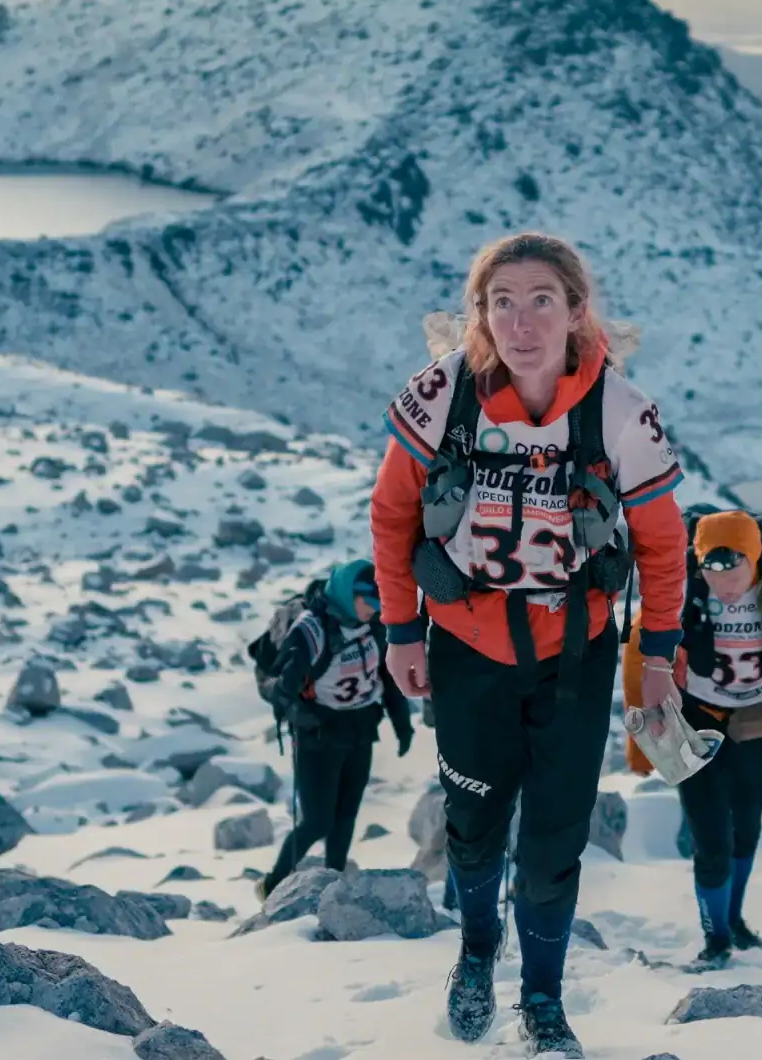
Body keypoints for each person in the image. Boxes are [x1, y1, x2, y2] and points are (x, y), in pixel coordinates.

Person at [372, 231, 688, 1059]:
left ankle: (542, 1002)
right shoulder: (442, 395)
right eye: (500, 301)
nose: (521, 321)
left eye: (541, 299)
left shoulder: (619, 410)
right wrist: (402, 627)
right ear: (478, 314)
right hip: (468, 649)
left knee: (553, 841)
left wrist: (655, 660)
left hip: (574, 658)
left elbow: (662, 544)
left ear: (576, 311)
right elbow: (394, 514)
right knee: (473, 826)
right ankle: (477, 953)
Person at [624, 507, 762, 970]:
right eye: (712, 569)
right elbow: (640, 645)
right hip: (693, 719)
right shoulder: (680, 578)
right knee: (710, 837)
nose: (723, 581)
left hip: (756, 719)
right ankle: (716, 939)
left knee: (747, 827)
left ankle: (735, 922)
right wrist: (638, 739)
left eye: (734, 567)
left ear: (755, 555)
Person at [257, 559, 413, 898]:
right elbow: (282, 681)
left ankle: (334, 888)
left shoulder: (373, 628)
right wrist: (287, 692)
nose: (373, 610)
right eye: (368, 602)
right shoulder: (311, 629)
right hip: (318, 735)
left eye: (378, 603)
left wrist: (403, 725)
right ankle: (272, 886)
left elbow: (387, 676)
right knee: (317, 821)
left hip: (360, 728)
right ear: (348, 595)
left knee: (346, 818)